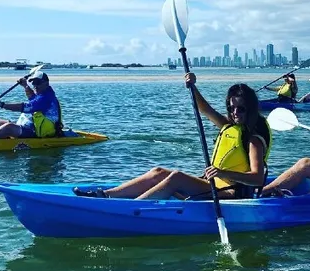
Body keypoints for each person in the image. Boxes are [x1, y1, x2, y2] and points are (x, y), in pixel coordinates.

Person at [73, 73, 272, 200]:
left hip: (231, 194)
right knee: (158, 172)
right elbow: (205, 109)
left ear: (250, 109)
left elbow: (257, 178)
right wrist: (192, 86)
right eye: (231, 108)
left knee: (176, 177)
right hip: (213, 185)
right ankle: (106, 195)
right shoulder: (230, 127)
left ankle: (133, 207)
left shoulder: (253, 139)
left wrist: (221, 173)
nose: (235, 113)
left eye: (241, 108)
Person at [0, 71, 62, 139]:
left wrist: (2, 105)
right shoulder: (42, 94)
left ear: (46, 83)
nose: (35, 86)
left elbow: (25, 107)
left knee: (8, 127)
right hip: (30, 127)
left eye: (38, 83)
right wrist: (25, 85)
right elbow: (33, 98)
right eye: (33, 83)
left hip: (36, 132)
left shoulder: (46, 98)